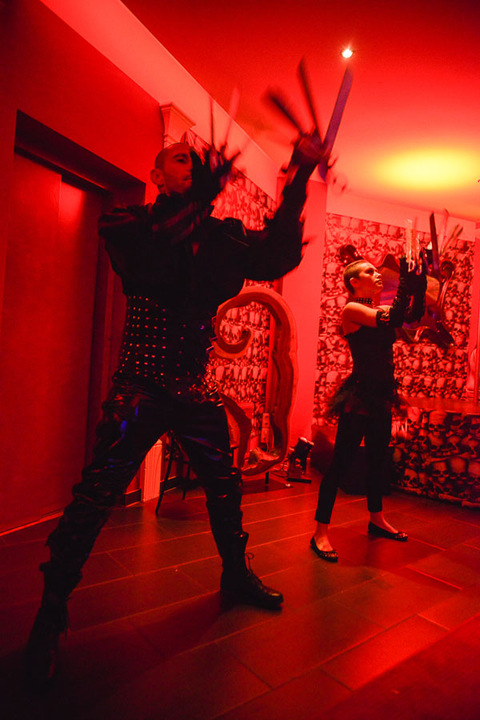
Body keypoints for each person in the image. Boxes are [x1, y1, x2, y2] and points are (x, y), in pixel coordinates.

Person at [25, 133, 325, 689]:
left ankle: (235, 576)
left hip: (194, 388)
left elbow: (278, 254)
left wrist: (301, 174)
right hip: (139, 386)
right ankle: (49, 616)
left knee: (225, 486)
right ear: (158, 174)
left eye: (196, 160)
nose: (191, 165)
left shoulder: (222, 236)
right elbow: (156, 257)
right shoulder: (129, 222)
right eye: (180, 159)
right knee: (95, 496)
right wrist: (197, 202)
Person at [311, 255, 427, 562]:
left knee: (378, 461)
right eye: (370, 271)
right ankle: (320, 532)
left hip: (382, 396)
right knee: (340, 464)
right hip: (360, 397)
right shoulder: (352, 309)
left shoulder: (378, 310)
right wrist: (405, 281)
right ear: (354, 282)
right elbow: (394, 317)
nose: (377, 275)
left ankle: (376, 520)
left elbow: (411, 316)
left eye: (377, 271)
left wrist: (419, 284)